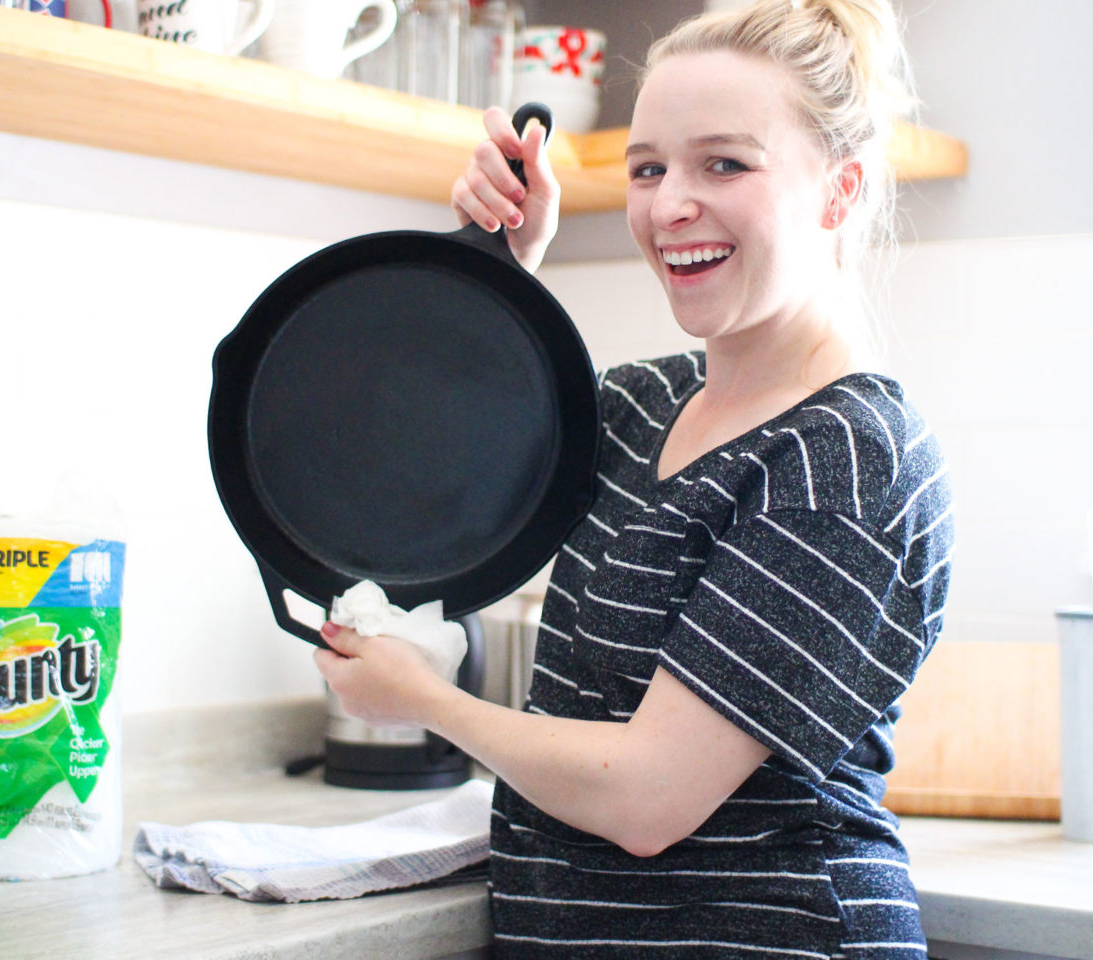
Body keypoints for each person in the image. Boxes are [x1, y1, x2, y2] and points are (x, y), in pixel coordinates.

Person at [315, 0, 954, 956]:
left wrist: (422, 701)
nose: (666, 205)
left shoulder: (844, 457)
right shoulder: (634, 407)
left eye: (724, 164)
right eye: (649, 167)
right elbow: (416, 480)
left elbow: (649, 795)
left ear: (839, 192)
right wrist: (503, 271)